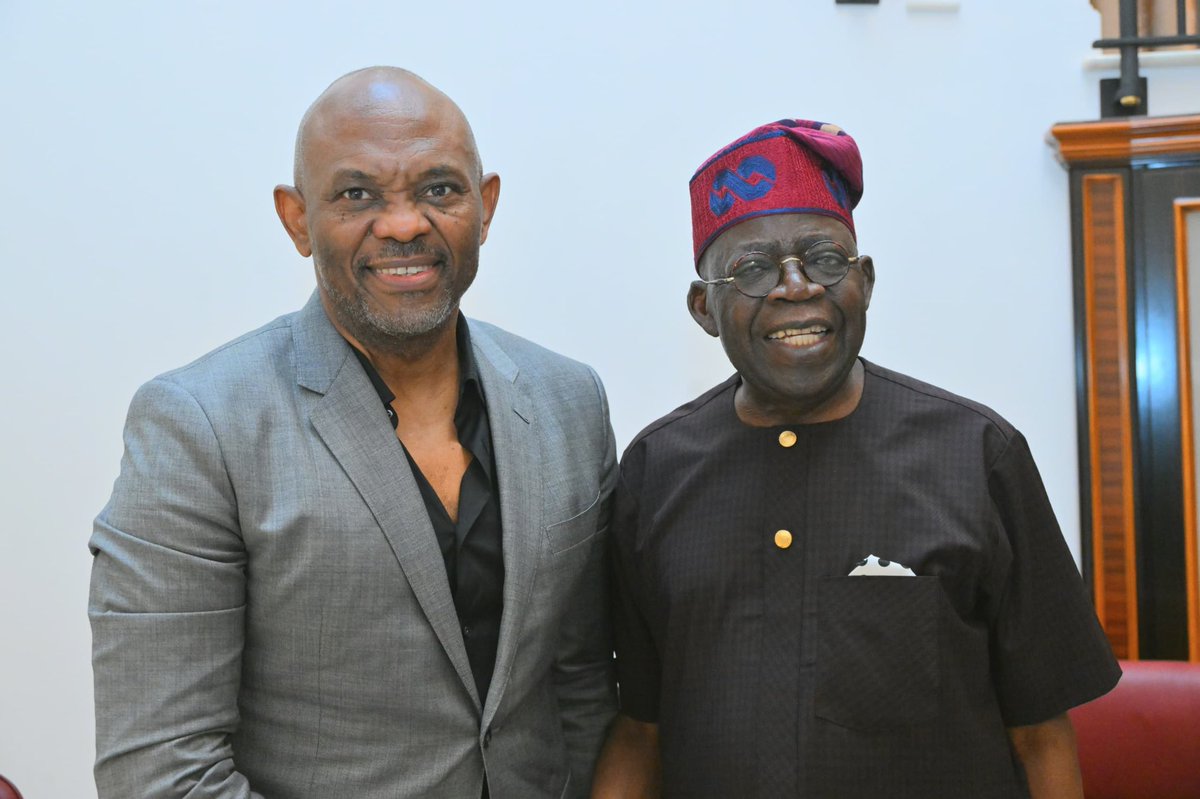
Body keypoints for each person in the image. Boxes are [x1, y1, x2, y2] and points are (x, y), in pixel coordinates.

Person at [89, 67, 617, 799]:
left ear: (485, 205)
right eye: (357, 194)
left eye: (439, 189)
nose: (404, 223)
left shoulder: (571, 400)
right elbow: (160, 773)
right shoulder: (199, 425)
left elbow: (582, 681)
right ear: (297, 218)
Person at [592, 119, 1120, 798]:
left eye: (825, 259)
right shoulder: (655, 470)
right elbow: (641, 729)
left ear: (863, 282)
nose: (795, 286)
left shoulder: (978, 455)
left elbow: (1041, 737)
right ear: (704, 307)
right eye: (753, 269)